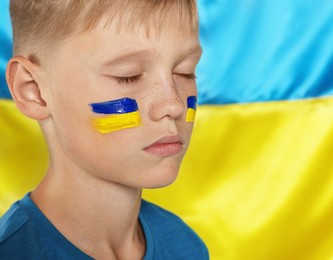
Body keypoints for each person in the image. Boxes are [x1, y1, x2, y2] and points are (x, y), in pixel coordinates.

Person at [0, 0, 208, 259]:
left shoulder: (185, 245)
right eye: (127, 76)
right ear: (33, 91)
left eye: (185, 72)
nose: (174, 105)